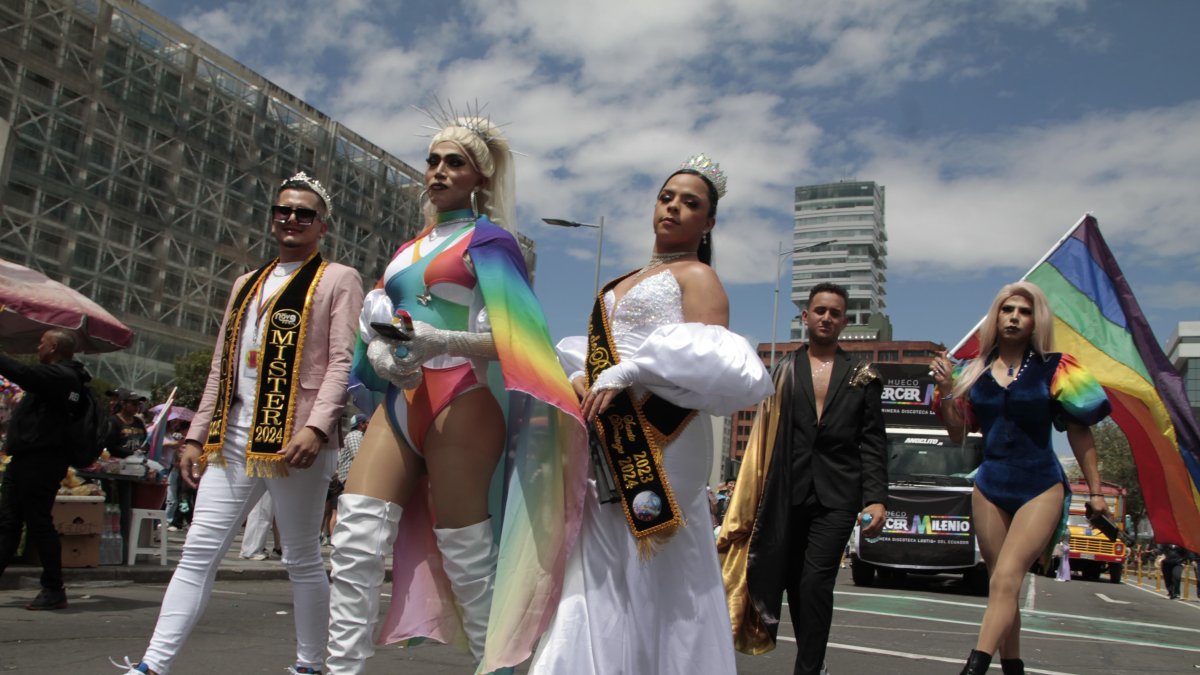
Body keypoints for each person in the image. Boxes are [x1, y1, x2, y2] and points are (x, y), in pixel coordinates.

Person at [327, 113, 587, 674]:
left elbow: (519, 338)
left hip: (462, 400)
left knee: (466, 555)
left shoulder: (490, 241)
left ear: (480, 178)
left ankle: (497, 670)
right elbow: (377, 326)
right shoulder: (407, 249)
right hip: (402, 401)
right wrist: (380, 354)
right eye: (433, 160)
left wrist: (442, 340)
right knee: (355, 538)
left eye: (455, 163)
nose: (439, 171)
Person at [112, 171, 364, 675]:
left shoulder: (339, 278)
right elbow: (221, 366)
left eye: (304, 214)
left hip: (296, 437)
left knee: (300, 557)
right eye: (283, 210)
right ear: (272, 218)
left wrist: (317, 427)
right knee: (197, 553)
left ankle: (310, 664)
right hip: (233, 436)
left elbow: (343, 361)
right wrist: (196, 436)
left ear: (322, 225)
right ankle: (152, 665)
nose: (291, 219)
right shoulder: (246, 284)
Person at [530, 154, 773, 674]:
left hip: (666, 441)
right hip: (607, 440)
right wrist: (581, 378)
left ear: (708, 222)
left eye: (691, 203)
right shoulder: (617, 283)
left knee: (662, 577)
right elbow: (592, 357)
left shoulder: (699, 277)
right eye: (667, 197)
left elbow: (713, 359)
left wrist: (633, 370)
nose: (674, 207)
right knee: (595, 573)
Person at [930, 281, 1111, 675]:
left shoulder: (1057, 367)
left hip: (1040, 485)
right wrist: (947, 390)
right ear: (995, 317)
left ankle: (973, 668)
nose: (1014, 317)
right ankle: (1013, 668)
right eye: (1007, 310)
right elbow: (957, 434)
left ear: (1036, 321)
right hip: (990, 485)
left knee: (1007, 578)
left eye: (1024, 312)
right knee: (1002, 583)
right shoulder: (972, 370)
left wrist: (1096, 492)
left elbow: (1080, 430)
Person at [718, 281, 887, 675]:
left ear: (844, 322)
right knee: (792, 581)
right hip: (785, 494)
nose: (827, 318)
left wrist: (876, 497)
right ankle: (813, 662)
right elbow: (763, 437)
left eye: (835, 313)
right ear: (806, 317)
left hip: (838, 495)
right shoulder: (783, 370)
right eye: (820, 311)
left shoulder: (862, 375)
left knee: (815, 582)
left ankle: (808, 669)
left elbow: (873, 441)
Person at [0, 329, 90, 610]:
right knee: (9, 522)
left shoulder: (62, 376)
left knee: (38, 522)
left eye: (41, 343)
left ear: (52, 348)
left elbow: (23, 374)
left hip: (41, 461)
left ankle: (53, 588)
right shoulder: (59, 377)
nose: (37, 347)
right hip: (27, 459)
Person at [104, 387, 148, 557]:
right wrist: (128, 453)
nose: (136, 407)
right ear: (123, 404)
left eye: (138, 404)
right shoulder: (113, 422)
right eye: (133, 403)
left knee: (128, 506)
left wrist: (142, 452)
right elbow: (110, 445)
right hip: (116, 469)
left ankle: (127, 543)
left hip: (134, 470)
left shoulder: (138, 423)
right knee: (114, 507)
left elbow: (145, 441)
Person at [322, 413, 366, 543]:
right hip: (347, 479)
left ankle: (333, 538)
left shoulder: (356, 436)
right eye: (367, 423)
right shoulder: (355, 436)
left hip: (344, 479)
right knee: (338, 511)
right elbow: (358, 456)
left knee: (335, 510)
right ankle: (336, 539)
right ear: (361, 424)